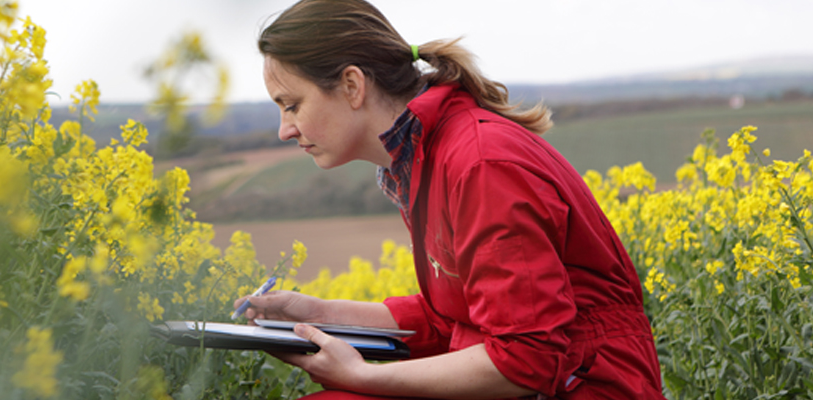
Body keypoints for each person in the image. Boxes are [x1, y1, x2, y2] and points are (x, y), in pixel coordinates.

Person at [233, 0, 665, 398]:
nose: (284, 130)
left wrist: (364, 375)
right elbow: (455, 319)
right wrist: (321, 314)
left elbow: (528, 357)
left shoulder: (479, 165)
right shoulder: (427, 156)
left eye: (291, 105)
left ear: (351, 85)